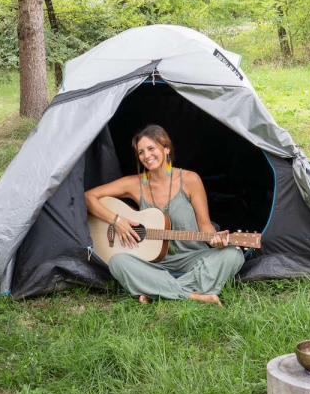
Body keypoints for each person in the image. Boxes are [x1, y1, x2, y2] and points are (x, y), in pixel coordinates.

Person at [84, 124, 241, 306]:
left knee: (233, 254)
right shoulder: (135, 184)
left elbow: (205, 225)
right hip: (152, 262)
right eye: (141, 152)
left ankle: (157, 291)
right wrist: (116, 220)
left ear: (166, 148)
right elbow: (89, 197)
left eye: (151, 148)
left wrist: (216, 238)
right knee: (118, 261)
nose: (146, 156)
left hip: (192, 257)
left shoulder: (190, 179)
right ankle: (192, 294)